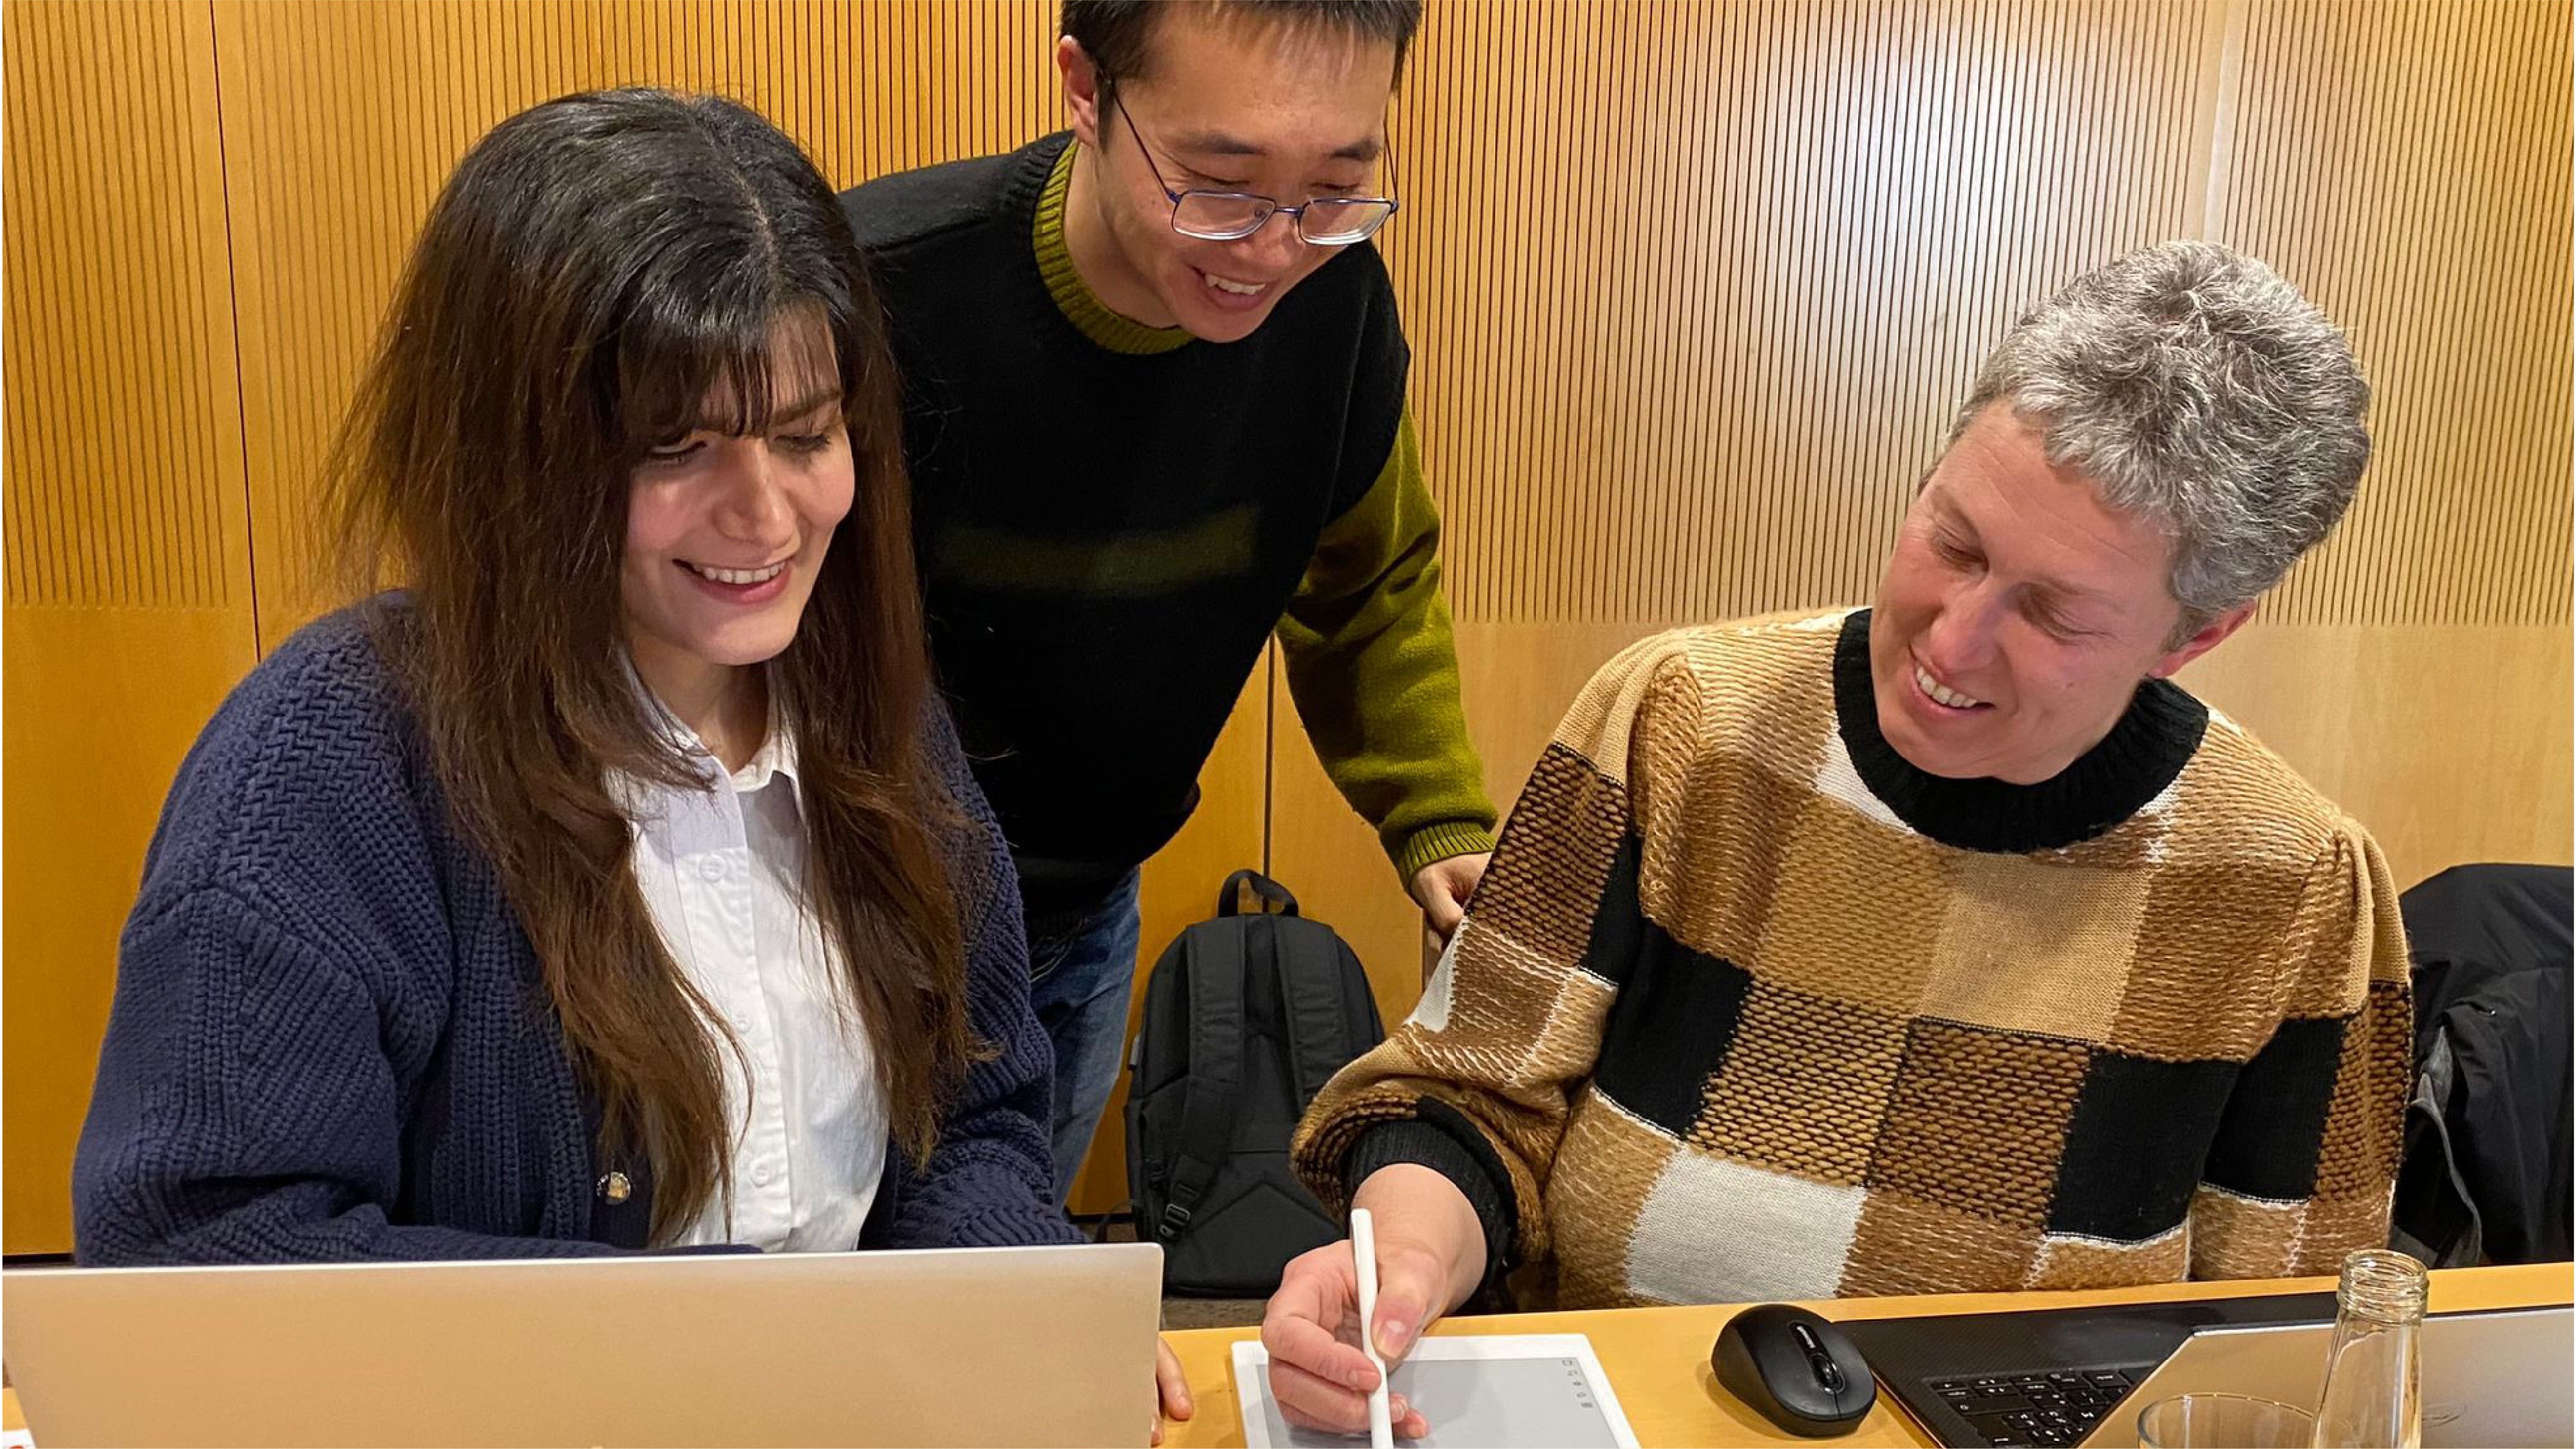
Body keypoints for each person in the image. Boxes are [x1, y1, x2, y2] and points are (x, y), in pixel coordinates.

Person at [1261, 241, 2415, 1437]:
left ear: (2194, 636)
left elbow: (2287, 1331)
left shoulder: (2293, 884)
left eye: (2055, 613)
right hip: (1618, 1413)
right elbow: (1465, 1100)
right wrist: (1398, 1258)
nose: (1950, 644)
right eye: (1953, 543)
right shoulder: (1681, 718)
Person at [73, 89, 1076, 1264]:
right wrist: (681, 1362)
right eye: (674, 449)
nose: (765, 517)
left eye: (806, 437)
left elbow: (976, 1114)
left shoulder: (875, 716)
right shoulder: (326, 769)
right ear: (515, 455)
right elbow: (198, 1243)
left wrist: (1011, 1294)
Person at [838, 0, 1498, 1200]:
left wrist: (1437, 817)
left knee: (1013, 1268)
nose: (1273, 250)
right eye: (1219, 183)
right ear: (1085, 88)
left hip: (1085, 910)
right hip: (848, 922)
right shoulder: (881, 288)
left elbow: (1369, 582)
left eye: (1337, 187)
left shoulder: (1332, 304)